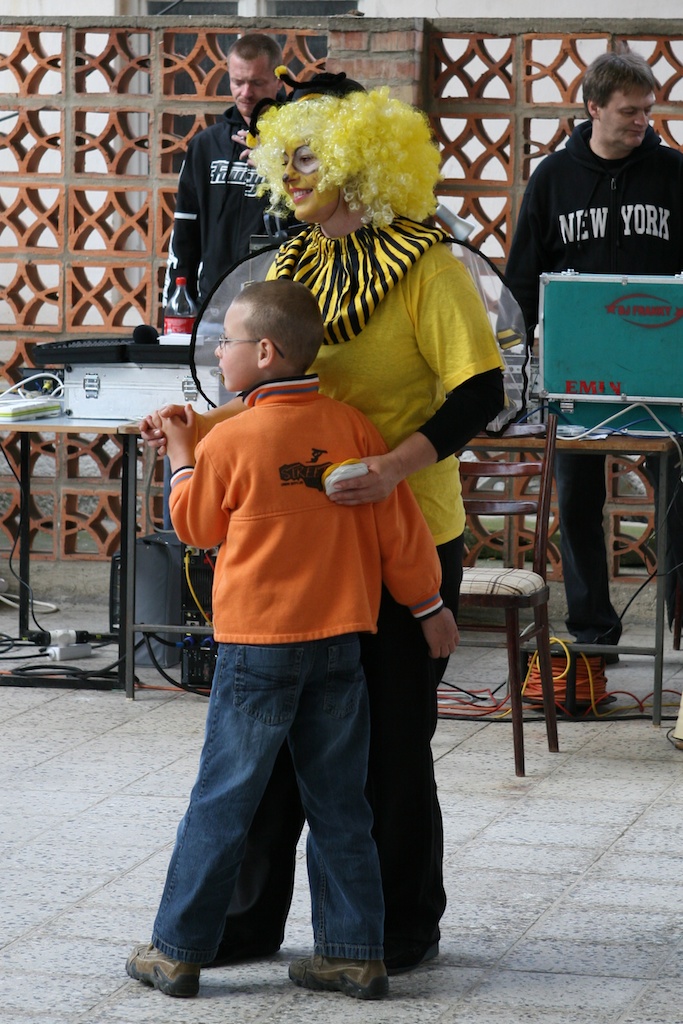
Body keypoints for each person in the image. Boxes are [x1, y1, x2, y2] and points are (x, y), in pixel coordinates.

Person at [141, 74, 505, 974]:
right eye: (286, 160)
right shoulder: (295, 265)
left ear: (360, 164)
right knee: (267, 751)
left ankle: (393, 932)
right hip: (306, 539)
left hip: (403, 531)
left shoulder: (429, 265)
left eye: (311, 159)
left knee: (388, 747)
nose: (293, 176)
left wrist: (390, 467)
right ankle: (244, 925)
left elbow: (482, 392)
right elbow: (274, 392)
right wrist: (198, 432)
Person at [126, 278, 458, 1001]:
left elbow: (194, 526)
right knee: (342, 803)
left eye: (228, 342)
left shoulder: (230, 440)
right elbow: (398, 530)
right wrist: (429, 606)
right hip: (341, 644)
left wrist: (181, 454)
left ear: (265, 353)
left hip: (257, 648)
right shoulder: (353, 429)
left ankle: (177, 951)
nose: (218, 353)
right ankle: (353, 955)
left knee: (223, 798)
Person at [505, 48, 683, 655]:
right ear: (593, 108)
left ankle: (680, 626)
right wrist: (516, 369)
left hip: (663, 375)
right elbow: (522, 281)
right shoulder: (552, 179)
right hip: (576, 375)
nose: (642, 122)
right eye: (629, 111)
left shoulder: (674, 173)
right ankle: (593, 635)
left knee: (679, 499)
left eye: (648, 110)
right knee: (578, 503)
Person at [163, 33, 294, 307]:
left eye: (257, 83)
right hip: (212, 304)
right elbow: (184, 234)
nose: (245, 93)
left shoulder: (299, 143)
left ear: (278, 81)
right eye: (238, 82)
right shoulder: (205, 145)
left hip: (277, 304)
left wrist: (276, 164)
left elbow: (315, 221)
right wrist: (177, 307)